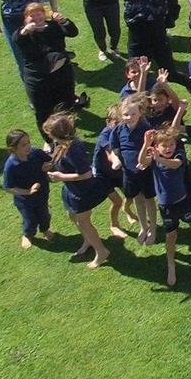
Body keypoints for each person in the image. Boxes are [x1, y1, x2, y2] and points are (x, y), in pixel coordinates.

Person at [139, 123, 191, 284]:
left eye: (171, 144)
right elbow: (141, 161)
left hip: (183, 201)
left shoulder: (179, 155)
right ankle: (171, 265)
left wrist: (158, 157)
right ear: (157, 146)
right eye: (164, 146)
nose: (168, 148)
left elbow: (175, 164)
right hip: (166, 206)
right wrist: (146, 144)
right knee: (170, 235)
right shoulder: (154, 157)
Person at [41, 112, 112, 268]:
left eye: (50, 134)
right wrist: (51, 164)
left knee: (84, 221)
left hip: (82, 191)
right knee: (72, 216)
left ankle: (101, 251)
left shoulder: (73, 149)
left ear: (58, 134)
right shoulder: (62, 145)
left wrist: (61, 176)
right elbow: (59, 158)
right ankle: (88, 240)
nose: (50, 138)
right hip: (71, 189)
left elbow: (86, 174)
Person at [14, 2, 81, 126]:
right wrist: (25, 31)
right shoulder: (23, 33)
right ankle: (49, 141)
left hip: (62, 75)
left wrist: (63, 20)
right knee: (43, 112)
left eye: (39, 15)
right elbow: (17, 40)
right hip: (39, 79)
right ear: (26, 18)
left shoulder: (53, 26)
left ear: (44, 15)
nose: (36, 18)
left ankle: (68, 133)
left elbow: (73, 32)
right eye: (32, 16)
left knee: (67, 105)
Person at [2, 128, 54, 249]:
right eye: (24, 145)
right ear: (13, 148)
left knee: (44, 216)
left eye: (28, 142)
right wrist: (28, 192)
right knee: (30, 220)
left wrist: (48, 166)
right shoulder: (11, 165)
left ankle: (45, 230)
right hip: (24, 201)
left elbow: (50, 160)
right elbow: (8, 188)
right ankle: (27, 235)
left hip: (42, 194)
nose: (28, 146)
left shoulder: (35, 153)